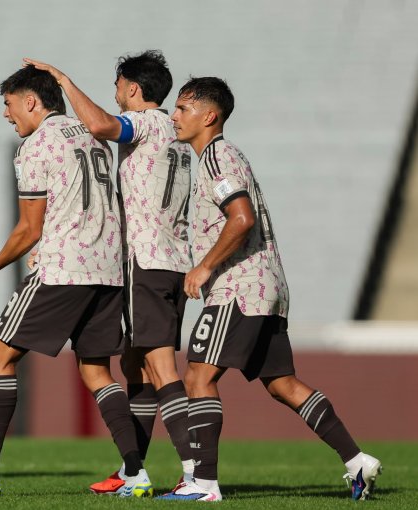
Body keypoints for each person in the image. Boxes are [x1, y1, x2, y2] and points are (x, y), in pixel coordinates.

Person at [158, 77, 381, 502]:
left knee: (197, 375)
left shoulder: (216, 158)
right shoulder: (224, 156)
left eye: (183, 109)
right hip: (268, 285)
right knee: (282, 384)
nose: (175, 116)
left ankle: (203, 484)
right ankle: (357, 462)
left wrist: (204, 267)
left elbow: (240, 219)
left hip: (239, 288)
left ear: (210, 116)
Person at [0, 67, 148, 498]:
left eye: (9, 105)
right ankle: (136, 473)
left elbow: (29, 229)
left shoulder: (35, 146)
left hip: (63, 269)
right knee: (95, 371)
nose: (7, 115)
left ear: (31, 101)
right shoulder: (93, 137)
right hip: (108, 271)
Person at [26, 51, 195, 493]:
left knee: (160, 367)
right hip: (173, 260)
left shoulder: (150, 122)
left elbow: (102, 126)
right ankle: (132, 470)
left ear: (134, 90)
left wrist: (63, 79)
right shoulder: (177, 134)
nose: (115, 93)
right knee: (136, 366)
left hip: (146, 261)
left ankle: (198, 475)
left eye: (118, 86)